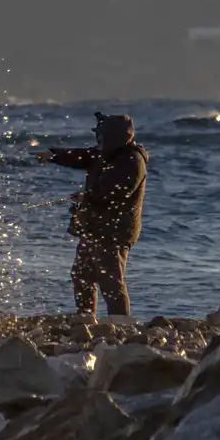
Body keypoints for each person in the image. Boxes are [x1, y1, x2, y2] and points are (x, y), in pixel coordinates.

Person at [35, 112, 147, 318]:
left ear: (117, 137)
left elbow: (115, 192)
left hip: (113, 231)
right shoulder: (104, 153)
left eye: (104, 137)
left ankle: (120, 325)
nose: (100, 141)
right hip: (95, 227)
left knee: (110, 281)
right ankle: (86, 318)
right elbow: (80, 156)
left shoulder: (132, 160)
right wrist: (53, 155)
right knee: (81, 274)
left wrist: (85, 197)